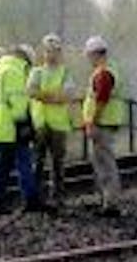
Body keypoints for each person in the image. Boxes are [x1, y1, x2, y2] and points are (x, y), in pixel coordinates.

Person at [0, 45, 43, 215]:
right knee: (24, 163)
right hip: (12, 127)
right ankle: (31, 201)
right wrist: (24, 124)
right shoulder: (15, 71)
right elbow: (17, 102)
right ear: (25, 59)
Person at [27, 33, 75, 207]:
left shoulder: (65, 72)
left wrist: (44, 96)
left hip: (58, 125)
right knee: (37, 163)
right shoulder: (36, 72)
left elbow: (68, 94)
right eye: (48, 51)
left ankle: (58, 197)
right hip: (40, 124)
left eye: (54, 51)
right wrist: (55, 96)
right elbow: (31, 91)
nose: (51, 54)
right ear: (43, 52)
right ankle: (36, 198)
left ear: (59, 52)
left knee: (58, 164)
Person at [81, 35, 124, 216]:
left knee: (105, 164)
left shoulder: (103, 73)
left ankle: (111, 204)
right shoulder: (111, 69)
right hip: (107, 122)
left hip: (102, 123)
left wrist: (92, 121)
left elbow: (101, 99)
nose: (88, 59)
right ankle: (106, 200)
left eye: (89, 56)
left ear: (95, 54)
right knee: (103, 163)